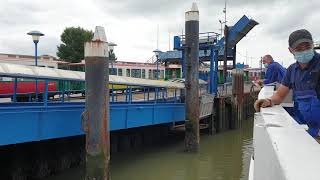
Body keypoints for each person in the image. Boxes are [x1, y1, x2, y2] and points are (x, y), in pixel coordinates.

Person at [254, 29, 320, 137]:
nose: (304, 51)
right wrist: (268, 101)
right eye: (299, 48)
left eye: (307, 47)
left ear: (313, 45)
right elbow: (280, 95)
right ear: (290, 50)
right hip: (313, 130)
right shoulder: (292, 70)